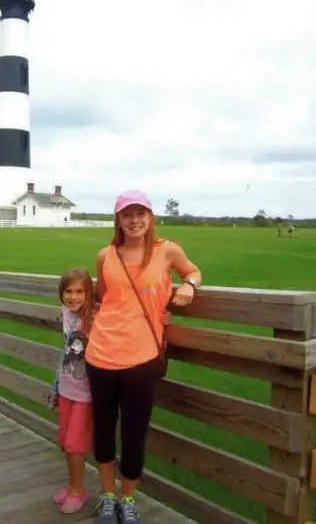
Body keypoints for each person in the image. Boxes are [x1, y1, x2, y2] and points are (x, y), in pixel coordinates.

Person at [85, 190, 202, 524]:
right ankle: (107, 495)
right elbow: (105, 300)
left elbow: (192, 271)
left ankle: (127, 498)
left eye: (141, 214)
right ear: (118, 220)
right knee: (104, 431)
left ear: (150, 217)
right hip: (101, 355)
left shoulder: (167, 251)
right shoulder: (105, 255)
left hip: (142, 359)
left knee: (135, 434)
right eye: (127, 214)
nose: (134, 220)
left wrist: (188, 286)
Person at [52, 267, 95, 514]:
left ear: (89, 293)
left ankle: (79, 490)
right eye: (68, 291)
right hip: (66, 387)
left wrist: (163, 317)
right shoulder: (65, 312)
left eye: (80, 291)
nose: (74, 297)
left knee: (74, 442)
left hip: (86, 392)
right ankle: (71, 484)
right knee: (64, 441)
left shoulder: (96, 316)